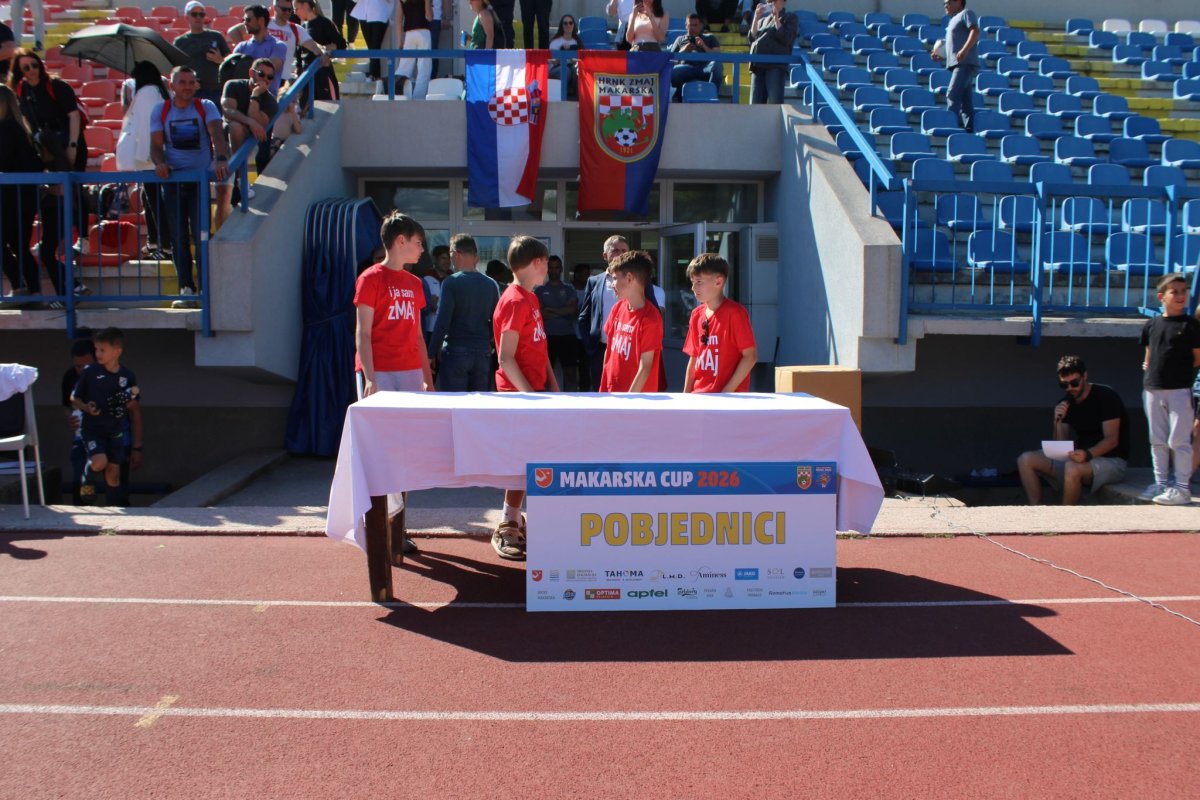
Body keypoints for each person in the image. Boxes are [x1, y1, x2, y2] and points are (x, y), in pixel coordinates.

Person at [491, 235, 557, 559]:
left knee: (530, 462)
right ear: (537, 262)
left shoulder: (529, 298)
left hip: (532, 394)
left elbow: (539, 349)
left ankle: (514, 519)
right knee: (521, 462)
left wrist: (552, 386)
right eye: (546, 262)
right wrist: (531, 397)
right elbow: (506, 357)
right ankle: (509, 522)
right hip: (519, 396)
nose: (549, 268)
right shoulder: (515, 300)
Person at [11, 49, 88, 306]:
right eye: (25, 68)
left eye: (34, 65)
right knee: (47, 247)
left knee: (68, 195)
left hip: (67, 146)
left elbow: (73, 116)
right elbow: (26, 122)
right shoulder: (22, 92)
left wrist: (72, 147)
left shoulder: (57, 86)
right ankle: (72, 288)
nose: (32, 71)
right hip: (48, 153)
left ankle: (82, 238)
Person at [150, 66, 231, 310]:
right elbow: (156, 146)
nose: (187, 86)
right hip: (173, 181)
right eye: (182, 82)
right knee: (178, 236)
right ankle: (186, 287)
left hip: (199, 181)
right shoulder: (161, 110)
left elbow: (217, 134)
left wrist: (221, 158)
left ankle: (206, 287)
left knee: (202, 234)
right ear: (172, 86)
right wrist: (159, 163)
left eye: (191, 82)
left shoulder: (205, 106)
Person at [1016, 355, 1130, 506]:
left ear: (1085, 376)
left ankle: (1066, 515)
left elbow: (1112, 440)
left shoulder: (1106, 396)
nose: (1070, 388)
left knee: (1072, 468)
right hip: (1080, 459)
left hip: (1112, 460)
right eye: (1064, 385)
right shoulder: (1066, 403)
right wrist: (1058, 421)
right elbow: (1060, 447)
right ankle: (1036, 510)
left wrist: (1088, 454)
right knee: (1025, 459)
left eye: (1074, 383)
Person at [1137, 274, 1200, 505]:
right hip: (1153, 389)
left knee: (1179, 440)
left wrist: (1179, 375)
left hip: (1180, 389)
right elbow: (1148, 357)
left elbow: (1197, 358)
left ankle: (1182, 488)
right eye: (1175, 291)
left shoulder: (1191, 326)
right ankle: (1161, 483)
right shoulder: (1152, 325)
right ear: (1161, 296)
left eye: (1184, 291)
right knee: (1157, 439)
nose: (1181, 296)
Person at [354, 211, 432, 395]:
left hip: (411, 369)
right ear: (401, 240)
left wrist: (428, 380)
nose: (422, 249)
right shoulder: (369, 279)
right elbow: (363, 333)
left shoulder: (415, 283)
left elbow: (418, 337)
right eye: (418, 243)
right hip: (379, 370)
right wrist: (370, 378)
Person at [70, 327, 144, 507]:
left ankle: (115, 512)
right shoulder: (90, 372)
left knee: (114, 474)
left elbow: (133, 404)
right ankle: (88, 477)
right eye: (96, 349)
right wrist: (86, 407)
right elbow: (74, 398)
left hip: (116, 431)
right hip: (93, 429)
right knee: (99, 462)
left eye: (102, 350)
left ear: (117, 352)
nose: (98, 354)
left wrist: (124, 401)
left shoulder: (127, 375)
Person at [429, 233, 501, 392]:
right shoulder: (490, 284)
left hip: (456, 351)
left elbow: (443, 321)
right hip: (482, 353)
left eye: (450, 255)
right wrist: (488, 344)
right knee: (479, 404)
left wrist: (431, 353)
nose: (450, 260)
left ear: (456, 254)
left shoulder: (451, 282)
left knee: (454, 403)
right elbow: (496, 321)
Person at [115, 61, 169, 260]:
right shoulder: (158, 91)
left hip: (151, 158)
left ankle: (165, 246)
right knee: (149, 199)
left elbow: (147, 127)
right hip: (155, 157)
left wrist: (146, 155)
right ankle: (156, 242)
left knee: (155, 202)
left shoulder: (147, 93)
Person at [683, 252, 756, 392]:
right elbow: (694, 358)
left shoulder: (735, 313)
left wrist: (727, 391)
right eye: (692, 282)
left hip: (727, 398)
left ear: (718, 282)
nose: (693, 288)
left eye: (699, 282)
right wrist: (686, 394)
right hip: (698, 395)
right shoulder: (696, 315)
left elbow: (750, 356)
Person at [0, 83, 43, 301]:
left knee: (12, 244)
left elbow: (4, 161)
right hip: (23, 197)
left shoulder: (6, 129)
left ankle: (20, 287)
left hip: (12, 198)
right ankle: (33, 291)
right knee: (19, 245)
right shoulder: (21, 129)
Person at [599, 250, 663, 392]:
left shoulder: (650, 318)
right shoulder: (618, 308)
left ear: (629, 278)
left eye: (615, 278)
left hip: (636, 399)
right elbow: (608, 351)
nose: (612, 284)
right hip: (611, 392)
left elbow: (645, 367)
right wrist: (604, 388)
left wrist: (629, 399)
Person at [577, 235, 630, 389]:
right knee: (601, 391)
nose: (620, 254)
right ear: (605, 255)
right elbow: (584, 316)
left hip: (628, 349)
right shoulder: (594, 281)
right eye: (615, 250)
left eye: (624, 251)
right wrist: (590, 346)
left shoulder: (638, 280)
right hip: (600, 349)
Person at [221, 58, 279, 181]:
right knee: (235, 126)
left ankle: (238, 177)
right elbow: (227, 111)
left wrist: (255, 95)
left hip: (251, 140)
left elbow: (260, 122)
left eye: (270, 77)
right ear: (251, 73)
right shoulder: (233, 85)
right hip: (225, 136)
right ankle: (238, 175)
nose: (265, 79)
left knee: (237, 127)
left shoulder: (271, 102)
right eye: (261, 74)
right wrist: (250, 122)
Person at [931, 0, 980, 132]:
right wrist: (940, 56)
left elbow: (975, 31)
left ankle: (950, 129)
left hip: (964, 64)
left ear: (959, 1)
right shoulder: (952, 21)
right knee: (965, 101)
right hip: (959, 64)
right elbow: (953, 45)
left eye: (948, 2)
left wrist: (964, 50)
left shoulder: (966, 13)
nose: (945, 5)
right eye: (944, 3)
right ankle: (969, 132)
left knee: (952, 94)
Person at [60, 337, 97, 504]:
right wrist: (70, 418)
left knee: (112, 480)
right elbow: (66, 405)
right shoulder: (70, 377)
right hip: (81, 437)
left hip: (105, 437)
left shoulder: (106, 376)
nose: (82, 370)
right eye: (78, 366)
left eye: (86, 366)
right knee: (80, 480)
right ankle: (84, 508)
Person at [535, 255, 580, 391]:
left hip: (567, 336)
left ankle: (572, 401)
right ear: (547, 269)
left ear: (561, 269)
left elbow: (573, 310)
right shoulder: (540, 290)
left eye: (557, 268)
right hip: (547, 337)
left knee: (570, 374)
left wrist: (550, 310)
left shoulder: (569, 288)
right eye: (551, 268)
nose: (554, 271)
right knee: (545, 375)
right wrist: (563, 310)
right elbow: (541, 314)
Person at [174, 2, 232, 105]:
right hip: (192, 91)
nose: (198, 17)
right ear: (186, 17)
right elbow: (176, 68)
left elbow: (231, 62)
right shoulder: (180, 42)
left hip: (216, 90)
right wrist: (190, 82)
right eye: (194, 14)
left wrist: (220, 60)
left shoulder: (216, 36)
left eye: (201, 14)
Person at [268, 0, 332, 86]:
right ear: (275, 8)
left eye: (290, 10)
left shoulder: (295, 29)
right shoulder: (264, 24)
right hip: (263, 77)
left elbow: (314, 47)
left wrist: (324, 53)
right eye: (284, 9)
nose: (287, 12)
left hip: (283, 80)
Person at [295, 0, 347, 102]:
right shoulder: (302, 28)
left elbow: (341, 43)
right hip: (306, 74)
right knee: (306, 107)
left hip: (322, 73)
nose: (295, 12)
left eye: (296, 9)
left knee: (329, 105)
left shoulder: (324, 23)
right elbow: (299, 53)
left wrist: (327, 48)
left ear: (305, 5)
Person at [747, 0, 796, 104]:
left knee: (775, 103)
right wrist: (756, 17)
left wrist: (776, 19)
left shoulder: (790, 17)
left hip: (776, 65)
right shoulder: (762, 20)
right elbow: (751, 38)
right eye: (769, 1)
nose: (771, 3)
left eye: (774, 0)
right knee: (755, 104)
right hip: (758, 64)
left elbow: (788, 39)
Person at [233, 6, 288, 93]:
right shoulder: (241, 46)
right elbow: (231, 71)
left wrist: (243, 66)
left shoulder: (279, 46)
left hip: (267, 98)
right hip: (242, 97)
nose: (244, 23)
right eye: (243, 20)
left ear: (261, 20)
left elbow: (267, 70)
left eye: (248, 19)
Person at [668, 13, 722, 101]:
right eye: (690, 25)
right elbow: (670, 60)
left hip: (705, 67)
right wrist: (684, 50)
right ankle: (680, 98)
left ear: (700, 25)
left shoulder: (710, 37)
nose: (693, 27)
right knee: (674, 72)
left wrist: (704, 46)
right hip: (686, 67)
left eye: (695, 25)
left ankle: (711, 95)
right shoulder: (680, 39)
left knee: (717, 65)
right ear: (686, 25)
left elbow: (717, 55)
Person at [351, 0, 400, 84]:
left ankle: (373, 75)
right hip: (364, 14)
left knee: (375, 46)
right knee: (371, 48)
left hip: (379, 14)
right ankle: (375, 75)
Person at [396, 0, 433, 100]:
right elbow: (429, 16)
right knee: (424, 69)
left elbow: (399, 21)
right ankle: (418, 99)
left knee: (404, 67)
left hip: (409, 34)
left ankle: (397, 93)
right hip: (424, 32)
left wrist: (400, 42)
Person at [548, 14, 580, 93]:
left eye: (570, 23)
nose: (568, 25)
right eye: (565, 23)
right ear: (562, 26)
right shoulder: (555, 42)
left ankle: (579, 96)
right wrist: (563, 54)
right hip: (555, 68)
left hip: (572, 66)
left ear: (573, 25)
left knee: (576, 70)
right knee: (565, 70)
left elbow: (581, 59)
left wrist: (574, 61)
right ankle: (562, 96)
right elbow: (553, 62)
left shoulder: (577, 41)